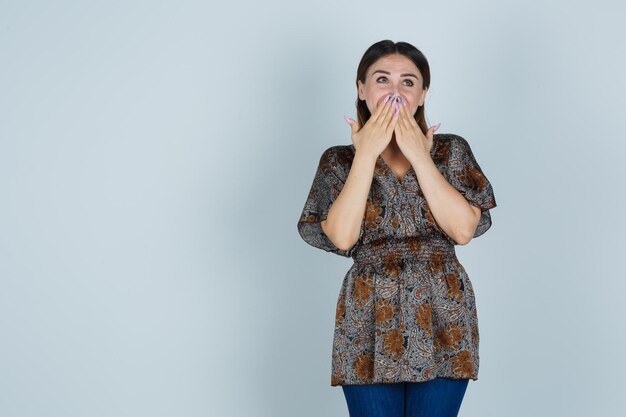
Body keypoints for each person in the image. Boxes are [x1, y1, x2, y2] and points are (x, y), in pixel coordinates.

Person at [296, 40, 497, 417]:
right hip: (369, 312)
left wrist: (420, 155)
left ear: (422, 94)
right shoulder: (338, 160)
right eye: (382, 79)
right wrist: (366, 154)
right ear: (362, 89)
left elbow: (463, 230)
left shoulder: (450, 151)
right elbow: (342, 236)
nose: (394, 91)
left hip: (442, 310)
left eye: (408, 82)